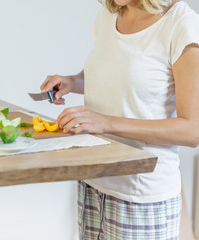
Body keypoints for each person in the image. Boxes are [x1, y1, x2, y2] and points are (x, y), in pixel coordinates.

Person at [40, 0, 199, 239]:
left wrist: (106, 122)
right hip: (94, 181)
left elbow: (191, 130)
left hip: (141, 196)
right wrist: (72, 82)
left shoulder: (180, 23)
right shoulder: (109, 14)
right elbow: (114, 74)